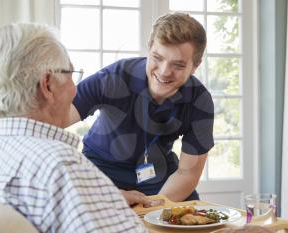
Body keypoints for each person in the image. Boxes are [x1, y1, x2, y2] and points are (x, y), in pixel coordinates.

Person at [0, 23, 148, 233]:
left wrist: (98, 198)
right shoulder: (62, 167)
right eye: (71, 74)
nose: (75, 90)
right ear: (48, 84)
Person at [68, 12, 214, 202]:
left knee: (194, 223)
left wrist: (151, 207)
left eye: (177, 65)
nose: (164, 72)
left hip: (158, 174)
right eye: (157, 58)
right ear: (149, 47)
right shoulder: (114, 77)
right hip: (102, 169)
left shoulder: (200, 100)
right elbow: (55, 116)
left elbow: (187, 174)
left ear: (195, 65)